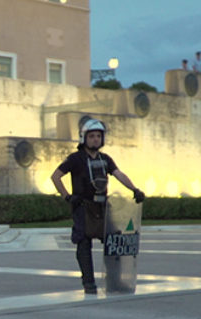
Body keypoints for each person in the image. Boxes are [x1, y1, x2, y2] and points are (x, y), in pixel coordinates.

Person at [51, 118, 145, 294]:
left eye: (98, 136)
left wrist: (135, 189)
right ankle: (89, 283)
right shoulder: (75, 159)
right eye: (92, 136)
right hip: (83, 207)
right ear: (84, 138)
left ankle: (115, 281)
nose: (95, 139)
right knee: (83, 244)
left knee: (114, 241)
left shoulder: (105, 159)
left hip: (103, 207)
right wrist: (67, 197)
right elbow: (55, 176)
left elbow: (119, 174)